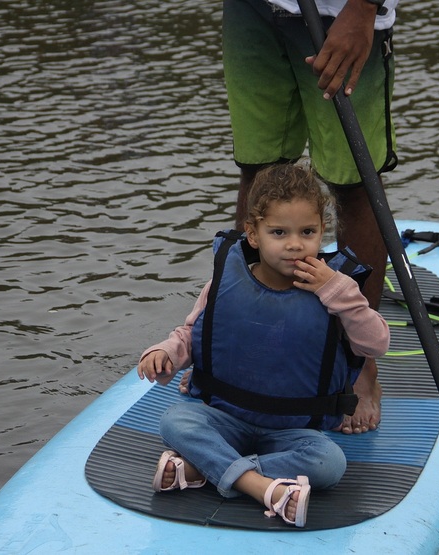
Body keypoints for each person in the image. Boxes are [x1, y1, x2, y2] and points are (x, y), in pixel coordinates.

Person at [137, 163, 390, 527]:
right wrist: (165, 353)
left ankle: (206, 469)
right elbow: (193, 334)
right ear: (253, 234)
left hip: (294, 432)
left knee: (329, 463)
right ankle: (259, 485)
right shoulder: (226, 279)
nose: (294, 244)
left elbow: (377, 343)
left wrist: (335, 290)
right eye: (279, 232)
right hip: (225, 418)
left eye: (307, 231)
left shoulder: (337, 288)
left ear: (322, 232)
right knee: (175, 421)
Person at [222, 0, 400, 434]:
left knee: (353, 183)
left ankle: (359, 364)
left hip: (337, 12)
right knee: (257, 170)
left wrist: (363, 8)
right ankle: (236, 344)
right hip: (251, 7)